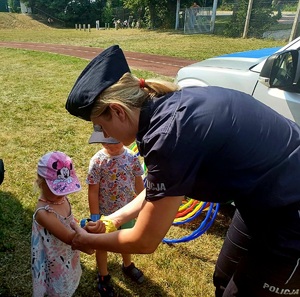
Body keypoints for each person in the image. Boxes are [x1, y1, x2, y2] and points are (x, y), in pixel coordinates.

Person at [65, 45, 300, 296]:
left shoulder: (168, 135)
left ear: (118, 111)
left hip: (290, 217)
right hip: (261, 200)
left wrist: (83, 240)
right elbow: (163, 188)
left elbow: (145, 240)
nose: (105, 135)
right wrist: (113, 220)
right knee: (223, 279)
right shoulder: (161, 111)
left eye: (101, 126)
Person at [31, 151, 102, 297]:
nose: (61, 194)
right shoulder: (44, 213)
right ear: (40, 182)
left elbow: (70, 226)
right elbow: (70, 238)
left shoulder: (62, 199)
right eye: (56, 189)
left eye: (64, 188)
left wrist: (85, 229)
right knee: (57, 288)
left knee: (69, 277)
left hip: (68, 254)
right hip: (55, 259)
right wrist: (89, 235)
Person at [86, 127, 145, 296]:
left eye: (116, 142)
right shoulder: (97, 161)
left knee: (125, 240)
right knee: (101, 245)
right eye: (106, 142)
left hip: (127, 210)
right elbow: (93, 191)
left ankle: (127, 265)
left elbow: (138, 182)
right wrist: (95, 217)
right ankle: (103, 276)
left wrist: (142, 205)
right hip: (105, 215)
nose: (111, 147)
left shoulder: (132, 158)